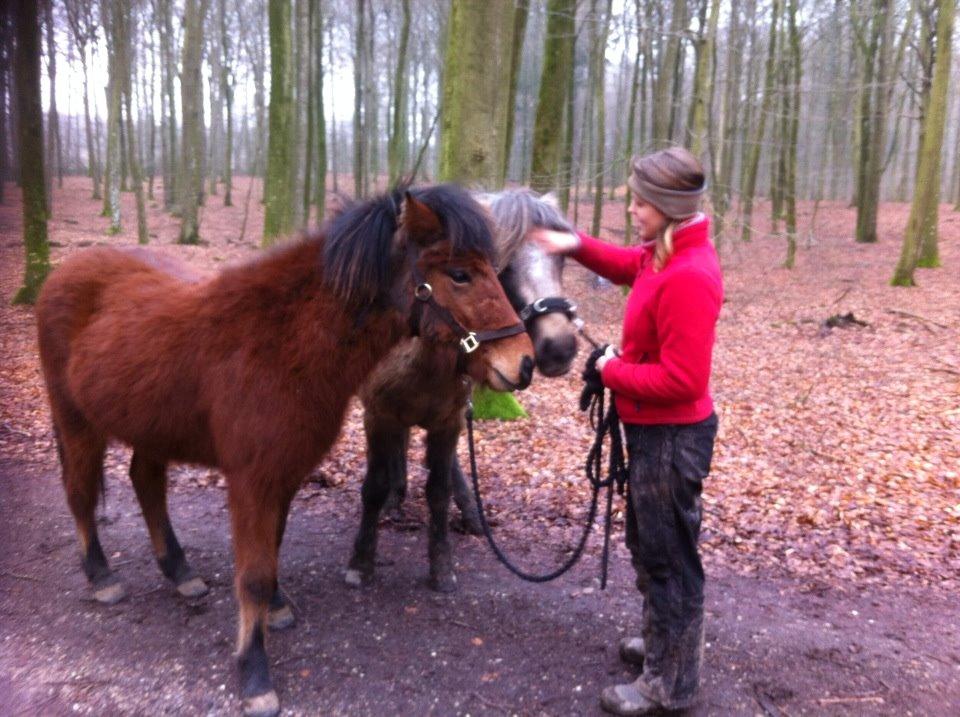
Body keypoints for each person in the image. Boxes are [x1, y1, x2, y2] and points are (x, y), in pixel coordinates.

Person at [532, 146, 722, 715]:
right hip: (652, 432)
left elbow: (685, 381)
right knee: (650, 545)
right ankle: (664, 646)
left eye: (641, 202)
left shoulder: (689, 275)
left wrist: (613, 370)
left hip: (671, 437)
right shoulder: (664, 253)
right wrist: (574, 245)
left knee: (669, 557)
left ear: (667, 207)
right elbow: (628, 264)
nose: (632, 208)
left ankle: (672, 682)